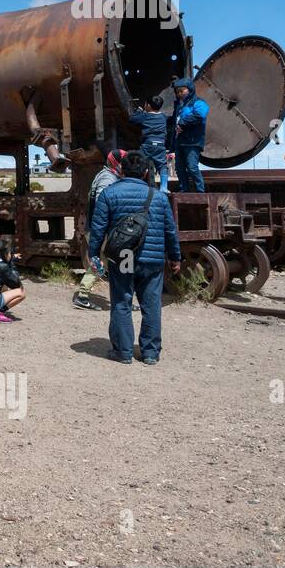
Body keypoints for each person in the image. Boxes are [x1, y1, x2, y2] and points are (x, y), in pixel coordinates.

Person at [87, 150, 182, 365]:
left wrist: (93, 254)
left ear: (121, 170)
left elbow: (98, 228)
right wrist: (175, 257)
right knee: (151, 305)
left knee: (121, 302)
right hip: (152, 259)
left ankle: (123, 351)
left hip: (124, 257)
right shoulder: (158, 197)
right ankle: (149, 353)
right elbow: (170, 231)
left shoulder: (109, 194)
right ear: (146, 173)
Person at [74, 149, 126, 310]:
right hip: (102, 230)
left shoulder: (108, 175)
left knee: (103, 263)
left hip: (99, 228)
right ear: (116, 162)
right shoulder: (107, 177)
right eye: (123, 161)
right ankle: (123, 300)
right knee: (117, 262)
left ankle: (83, 296)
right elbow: (103, 201)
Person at [170, 77, 208, 192]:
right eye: (178, 92)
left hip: (193, 141)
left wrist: (182, 122)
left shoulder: (199, 102)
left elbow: (200, 115)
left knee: (192, 167)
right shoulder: (180, 106)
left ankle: (200, 191)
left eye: (182, 90)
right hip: (180, 141)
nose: (180, 94)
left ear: (190, 89)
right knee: (179, 168)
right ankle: (184, 190)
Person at [131, 95, 170, 190]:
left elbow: (132, 119)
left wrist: (139, 111)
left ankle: (136, 185)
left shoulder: (145, 116)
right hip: (160, 145)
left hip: (148, 145)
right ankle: (164, 187)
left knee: (137, 162)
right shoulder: (164, 117)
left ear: (148, 105)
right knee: (162, 166)